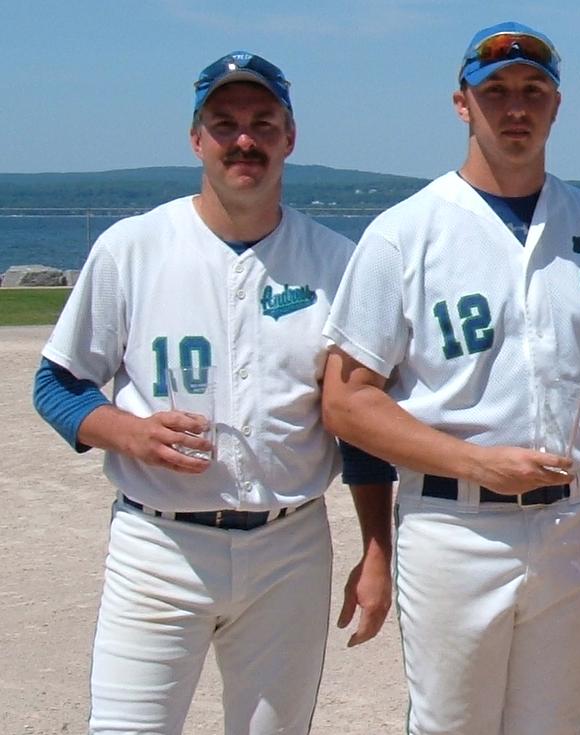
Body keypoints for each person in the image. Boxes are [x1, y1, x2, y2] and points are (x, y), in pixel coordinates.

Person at [32, 52, 390, 733]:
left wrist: (377, 551)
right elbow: (56, 383)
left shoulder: (336, 264)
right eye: (225, 124)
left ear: (290, 137)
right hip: (158, 544)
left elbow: (360, 429)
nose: (244, 139)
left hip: (289, 546)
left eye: (263, 122)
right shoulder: (132, 248)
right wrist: (125, 431)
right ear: (197, 139)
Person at [318, 22, 580, 734]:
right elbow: (347, 400)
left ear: (557, 106)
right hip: (452, 522)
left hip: (576, 519)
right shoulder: (404, 233)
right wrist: (474, 461)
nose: (515, 107)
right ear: (461, 103)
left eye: (533, 91)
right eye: (494, 91)